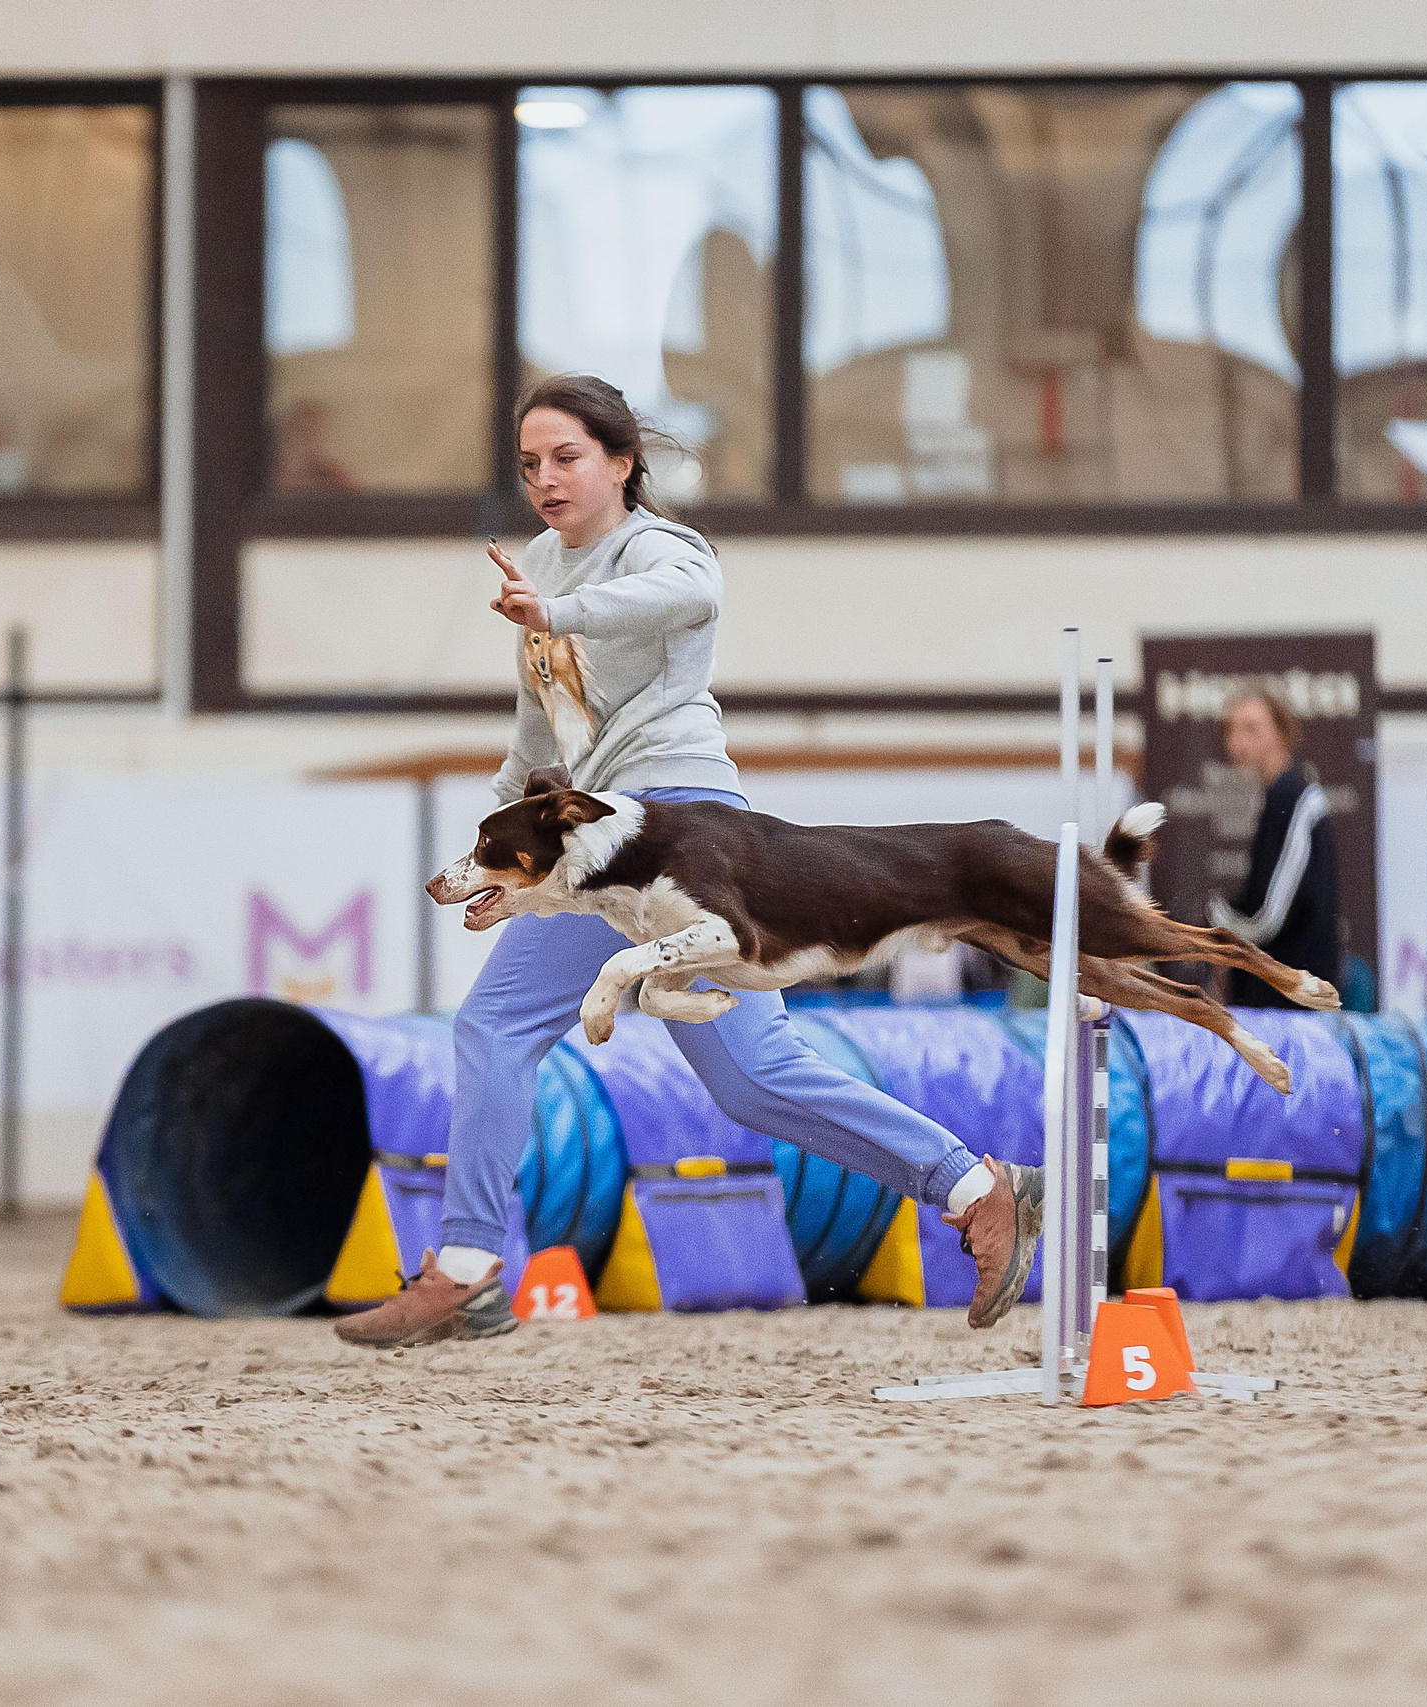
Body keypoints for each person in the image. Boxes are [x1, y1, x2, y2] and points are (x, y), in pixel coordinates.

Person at [333, 375, 1041, 1349]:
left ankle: (465, 1266)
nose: (545, 478)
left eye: (567, 458)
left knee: (498, 1029)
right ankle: (972, 1185)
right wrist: (498, 860)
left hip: (679, 823)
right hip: (597, 837)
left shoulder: (660, 549)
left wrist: (557, 612)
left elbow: (695, 593)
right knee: (749, 1078)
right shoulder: (541, 562)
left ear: (622, 463)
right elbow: (538, 738)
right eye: (530, 462)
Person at [1208, 691, 1342, 1007]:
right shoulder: (1277, 799)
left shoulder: (1294, 799)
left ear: (1280, 735)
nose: (1238, 740)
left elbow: (1268, 916)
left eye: (1251, 728)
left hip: (1291, 992)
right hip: (1277, 989)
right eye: (1233, 729)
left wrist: (1216, 919)